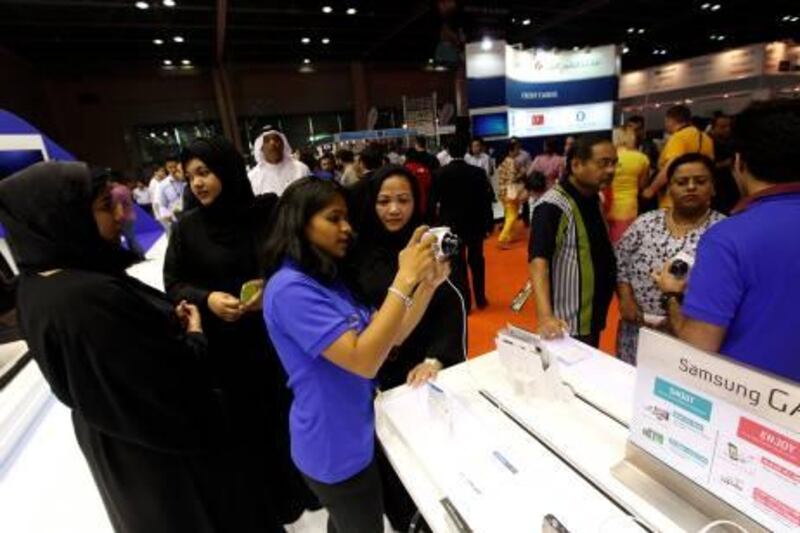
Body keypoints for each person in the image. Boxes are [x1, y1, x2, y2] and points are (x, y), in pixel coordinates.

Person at [0, 161, 261, 532]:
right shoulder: (88, 299)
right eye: (107, 206)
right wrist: (194, 335)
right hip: (167, 459)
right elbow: (166, 388)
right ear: (63, 216)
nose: (123, 216)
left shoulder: (38, 283)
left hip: (122, 445)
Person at [262, 177, 448, 533]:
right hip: (333, 446)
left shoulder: (326, 281)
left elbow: (392, 337)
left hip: (354, 432)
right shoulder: (289, 289)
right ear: (299, 221)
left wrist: (426, 284)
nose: (346, 228)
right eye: (333, 219)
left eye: (347, 218)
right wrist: (404, 277)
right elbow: (363, 361)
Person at [163, 138, 317, 529]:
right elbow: (174, 282)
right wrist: (209, 298)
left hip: (278, 340)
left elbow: (296, 259)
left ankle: (311, 488)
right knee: (251, 427)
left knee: (294, 414)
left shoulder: (265, 214)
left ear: (227, 171)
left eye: (205, 172)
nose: (197, 183)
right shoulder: (187, 229)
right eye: (190, 175)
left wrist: (274, 287)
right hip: (228, 350)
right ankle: (276, 501)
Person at [346, 165, 464, 531]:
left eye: (403, 200)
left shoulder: (431, 245)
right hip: (373, 372)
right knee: (392, 464)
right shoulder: (355, 252)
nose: (394, 210)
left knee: (435, 458)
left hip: (421, 371)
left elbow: (450, 303)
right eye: (384, 201)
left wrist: (437, 357)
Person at [654, 100, 800, 382]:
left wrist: (672, 295)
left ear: (738, 163)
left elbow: (698, 349)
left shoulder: (728, 239)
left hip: (748, 405)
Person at [615, 153, 725, 364]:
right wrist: (626, 298)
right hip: (638, 330)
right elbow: (621, 261)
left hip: (691, 336)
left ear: (713, 187)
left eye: (700, 181)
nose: (691, 187)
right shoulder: (645, 223)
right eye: (681, 182)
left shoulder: (723, 230)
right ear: (669, 188)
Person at [529, 135, 618, 348]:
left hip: (592, 312)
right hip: (568, 322)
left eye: (614, 163)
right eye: (603, 163)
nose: (611, 170)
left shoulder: (594, 197)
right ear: (576, 165)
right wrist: (545, 316)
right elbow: (538, 261)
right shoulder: (553, 205)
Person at [427, 136, 495, 310]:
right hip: (474, 224)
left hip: (450, 226)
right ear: (466, 150)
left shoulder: (439, 174)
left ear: (448, 152)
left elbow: (432, 202)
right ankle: (480, 298)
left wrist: (434, 225)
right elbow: (485, 201)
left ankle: (464, 301)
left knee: (456, 264)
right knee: (477, 260)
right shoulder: (477, 173)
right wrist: (489, 223)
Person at [643, 105, 714, 208]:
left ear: (670, 120)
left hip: (675, 199)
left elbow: (671, 166)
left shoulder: (679, 137)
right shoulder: (706, 138)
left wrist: (651, 189)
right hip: (700, 197)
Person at [605, 126, 650, 243]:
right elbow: (642, 185)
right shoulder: (642, 158)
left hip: (606, 204)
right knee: (625, 243)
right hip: (629, 207)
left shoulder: (608, 158)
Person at [248, 128, 310, 196]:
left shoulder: (301, 169)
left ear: (283, 144)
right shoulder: (253, 177)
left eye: (276, 139)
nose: (272, 143)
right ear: (261, 147)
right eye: (267, 141)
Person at [496, 141, 526, 248]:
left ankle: (507, 237)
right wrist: (521, 173)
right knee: (512, 216)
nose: (518, 151)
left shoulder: (504, 161)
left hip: (503, 192)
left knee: (510, 214)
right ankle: (503, 238)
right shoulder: (511, 162)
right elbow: (512, 178)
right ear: (511, 151)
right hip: (510, 192)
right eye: (517, 149)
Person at [708, 113, 740, 215]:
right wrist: (724, 164)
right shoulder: (708, 142)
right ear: (713, 127)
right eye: (722, 127)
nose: (727, 129)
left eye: (728, 126)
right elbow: (706, 166)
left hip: (731, 184)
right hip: (716, 186)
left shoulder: (731, 140)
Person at [110, 178, 145, 259]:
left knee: (130, 237)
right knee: (130, 237)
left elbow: (119, 207)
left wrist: (118, 219)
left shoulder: (115, 192)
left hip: (124, 218)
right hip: (131, 215)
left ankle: (140, 254)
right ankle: (137, 255)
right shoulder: (125, 188)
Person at [157, 160, 187, 231]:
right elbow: (162, 204)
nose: (173, 170)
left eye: (175, 166)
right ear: (166, 168)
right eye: (170, 167)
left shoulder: (188, 179)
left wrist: (184, 180)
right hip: (176, 219)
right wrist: (167, 217)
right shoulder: (163, 185)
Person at [148, 164, 167, 228]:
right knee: (169, 229)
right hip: (160, 210)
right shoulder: (154, 183)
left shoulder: (161, 181)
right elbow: (156, 200)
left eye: (164, 171)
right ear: (155, 172)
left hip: (165, 209)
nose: (163, 172)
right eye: (161, 171)